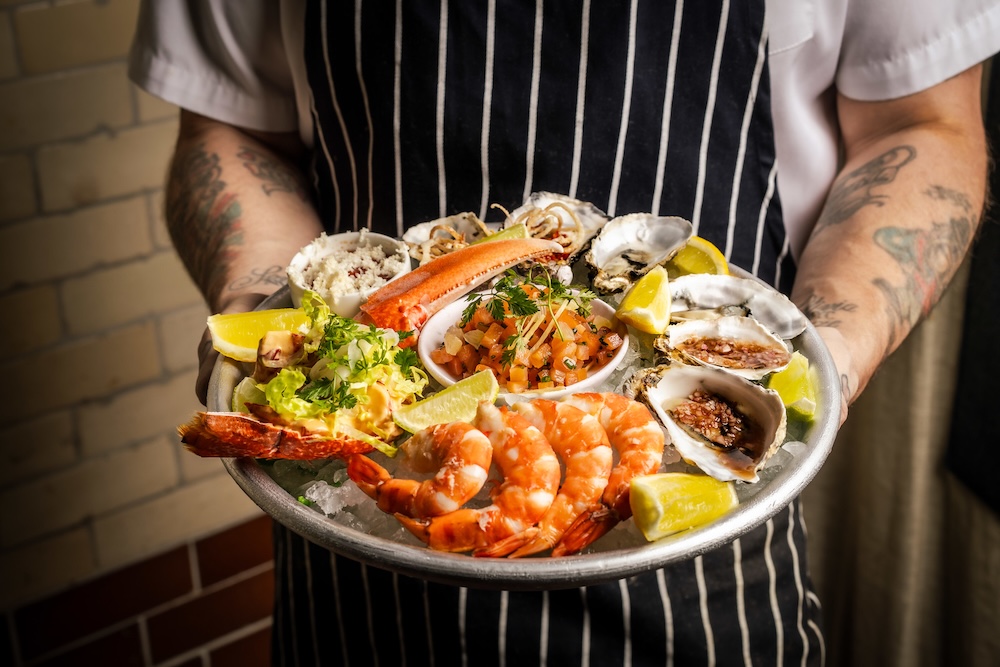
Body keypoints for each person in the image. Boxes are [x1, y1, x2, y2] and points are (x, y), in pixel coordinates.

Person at [129, 1, 996, 664]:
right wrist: (268, 320)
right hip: (364, 568)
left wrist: (821, 361)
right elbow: (228, 126)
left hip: (703, 565)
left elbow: (922, 124)